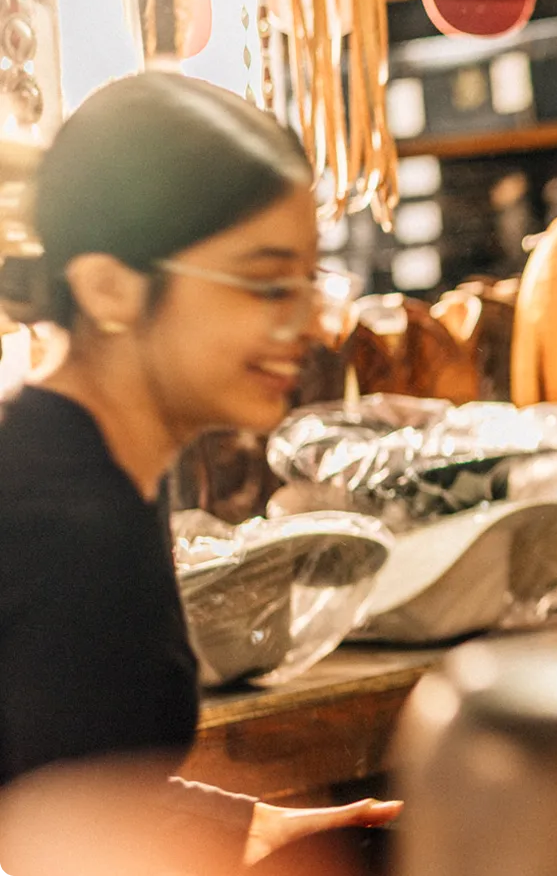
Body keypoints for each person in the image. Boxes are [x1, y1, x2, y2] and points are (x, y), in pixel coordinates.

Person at [0, 72, 398, 870]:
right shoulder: (49, 514)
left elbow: (48, 775)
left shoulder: (106, 472)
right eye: (264, 283)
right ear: (110, 288)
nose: (311, 324)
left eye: (306, 282)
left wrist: (231, 828)